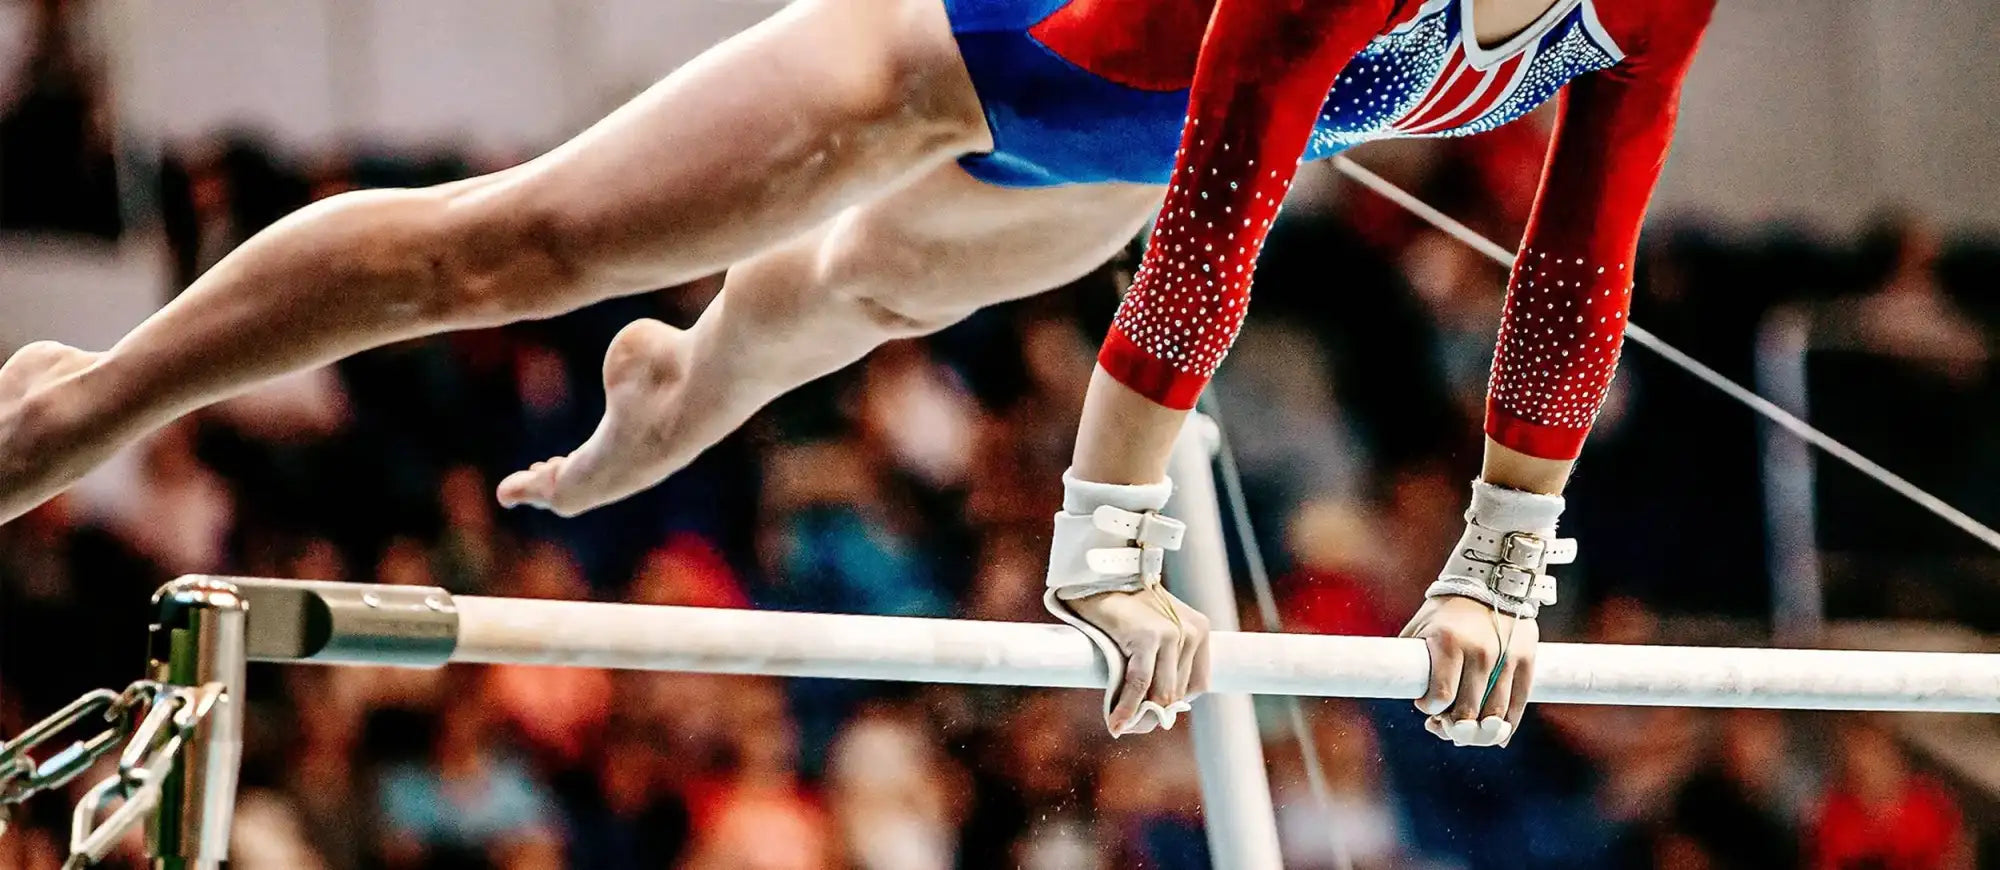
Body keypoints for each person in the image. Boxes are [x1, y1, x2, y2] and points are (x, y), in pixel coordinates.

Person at [0, 0, 1713, 743]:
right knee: (515, 250)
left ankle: (691, 381)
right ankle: (88, 398)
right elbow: (1218, 227)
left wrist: (1502, 567)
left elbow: (1585, 251)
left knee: (858, 300)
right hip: (955, 61)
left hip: (1104, 159)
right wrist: (1106, 546)